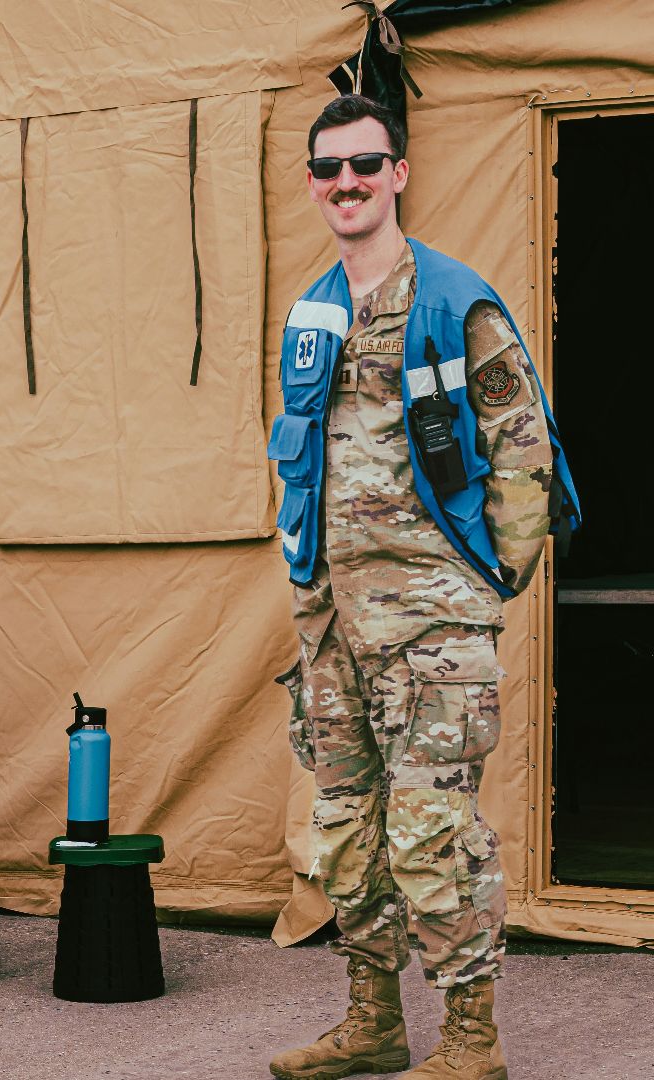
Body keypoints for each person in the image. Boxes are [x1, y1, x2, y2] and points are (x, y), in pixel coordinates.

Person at [267, 96, 577, 1080]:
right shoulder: (310, 311)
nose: (346, 183)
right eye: (328, 169)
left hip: (432, 626)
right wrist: (309, 589)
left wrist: (486, 582)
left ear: (398, 172)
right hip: (332, 625)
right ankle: (372, 1022)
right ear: (315, 182)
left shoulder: (453, 300)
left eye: (365, 163)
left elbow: (524, 452)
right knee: (347, 830)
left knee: (431, 830)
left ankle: (470, 1040)